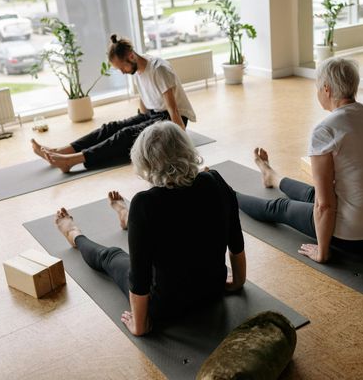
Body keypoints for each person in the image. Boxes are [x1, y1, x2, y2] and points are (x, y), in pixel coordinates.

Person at [54, 121, 247, 336]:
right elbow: (236, 240)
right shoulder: (215, 180)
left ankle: (74, 234)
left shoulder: (146, 203)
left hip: (165, 308)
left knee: (111, 256)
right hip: (212, 290)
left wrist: (140, 324)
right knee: (166, 228)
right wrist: (238, 281)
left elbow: (139, 277)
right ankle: (126, 217)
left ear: (146, 162)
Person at [235, 57, 363, 263]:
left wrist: (323, 252)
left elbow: (325, 206)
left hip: (353, 236)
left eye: (316, 88)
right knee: (311, 193)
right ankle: (272, 176)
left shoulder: (326, 130)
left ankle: (228, 194)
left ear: (326, 89)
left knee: (281, 207)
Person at [31, 34, 197, 173]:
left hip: (173, 120)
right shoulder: (138, 70)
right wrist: (140, 121)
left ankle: (71, 161)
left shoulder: (159, 69)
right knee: (111, 127)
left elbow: (173, 109)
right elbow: (145, 100)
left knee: (125, 134)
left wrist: (182, 144)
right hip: (155, 114)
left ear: (131, 56)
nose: (122, 72)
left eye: (121, 67)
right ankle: (61, 151)